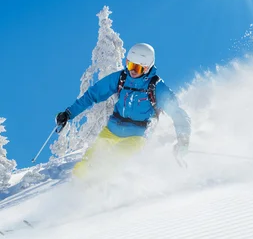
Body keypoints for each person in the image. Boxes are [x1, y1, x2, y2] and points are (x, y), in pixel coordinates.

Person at [56, 43, 191, 177]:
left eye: (137, 68)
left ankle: (107, 194)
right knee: (85, 166)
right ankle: (79, 193)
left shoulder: (156, 88)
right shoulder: (121, 78)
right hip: (111, 130)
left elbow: (178, 113)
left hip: (137, 135)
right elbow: (93, 94)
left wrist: (183, 140)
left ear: (147, 68)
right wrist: (69, 113)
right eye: (130, 65)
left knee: (112, 162)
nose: (132, 71)